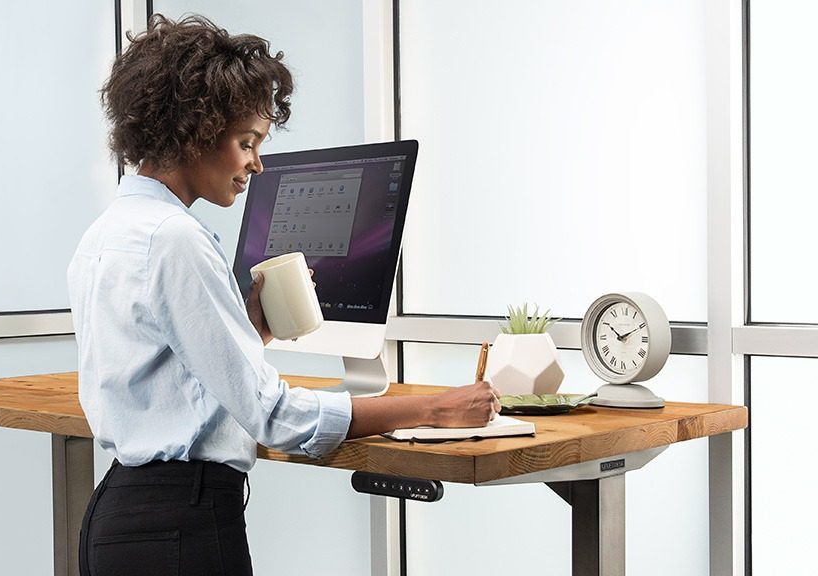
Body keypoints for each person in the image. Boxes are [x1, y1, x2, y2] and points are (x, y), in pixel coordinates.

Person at [67, 14, 500, 576]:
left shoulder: (107, 233)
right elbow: (274, 417)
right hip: (180, 529)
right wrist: (435, 407)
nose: (256, 164)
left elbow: (164, 377)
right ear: (195, 129)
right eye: (246, 142)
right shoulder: (177, 241)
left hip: (123, 518)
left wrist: (247, 332)